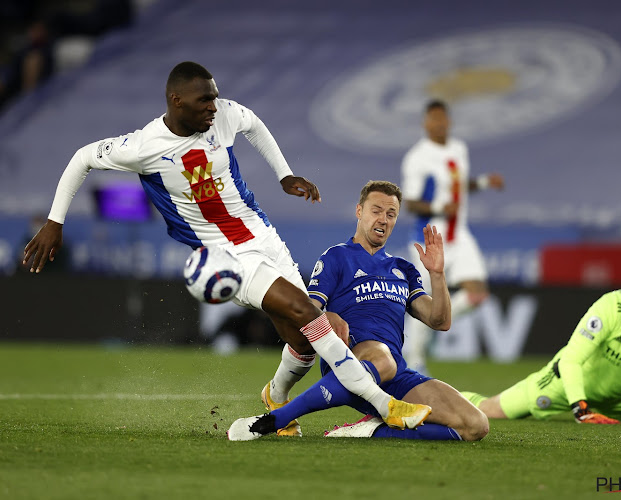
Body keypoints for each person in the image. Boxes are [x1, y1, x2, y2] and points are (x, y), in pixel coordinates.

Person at [22, 61, 430, 430]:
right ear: (176, 101)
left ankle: (276, 396)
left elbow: (253, 123)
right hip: (226, 255)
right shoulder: (144, 147)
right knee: (309, 313)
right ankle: (385, 405)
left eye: (214, 99)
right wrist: (55, 222)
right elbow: (83, 157)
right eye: (204, 102)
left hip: (264, 236)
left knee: (304, 340)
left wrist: (285, 175)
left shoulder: (223, 115)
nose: (213, 109)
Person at [227, 180, 489, 441]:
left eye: (391, 214)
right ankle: (271, 421)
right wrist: (327, 315)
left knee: (475, 425)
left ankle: (372, 429)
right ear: (359, 211)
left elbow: (440, 321)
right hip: (350, 361)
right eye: (376, 210)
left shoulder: (403, 268)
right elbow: (306, 312)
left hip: (395, 373)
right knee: (382, 357)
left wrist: (437, 274)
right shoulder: (336, 257)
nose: (383, 220)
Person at [462, 245, 621, 427]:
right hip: (565, 385)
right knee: (492, 410)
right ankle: (440, 399)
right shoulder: (610, 307)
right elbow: (571, 360)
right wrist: (581, 409)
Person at [400, 99, 511, 371]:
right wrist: (439, 207)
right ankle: (414, 360)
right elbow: (410, 202)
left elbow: (458, 186)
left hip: (458, 234)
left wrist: (484, 182)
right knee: (421, 297)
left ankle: (437, 317)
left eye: (442, 118)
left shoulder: (459, 149)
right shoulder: (417, 157)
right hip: (430, 234)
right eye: (433, 119)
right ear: (425, 123)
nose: (439, 124)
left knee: (477, 293)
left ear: (448, 120)